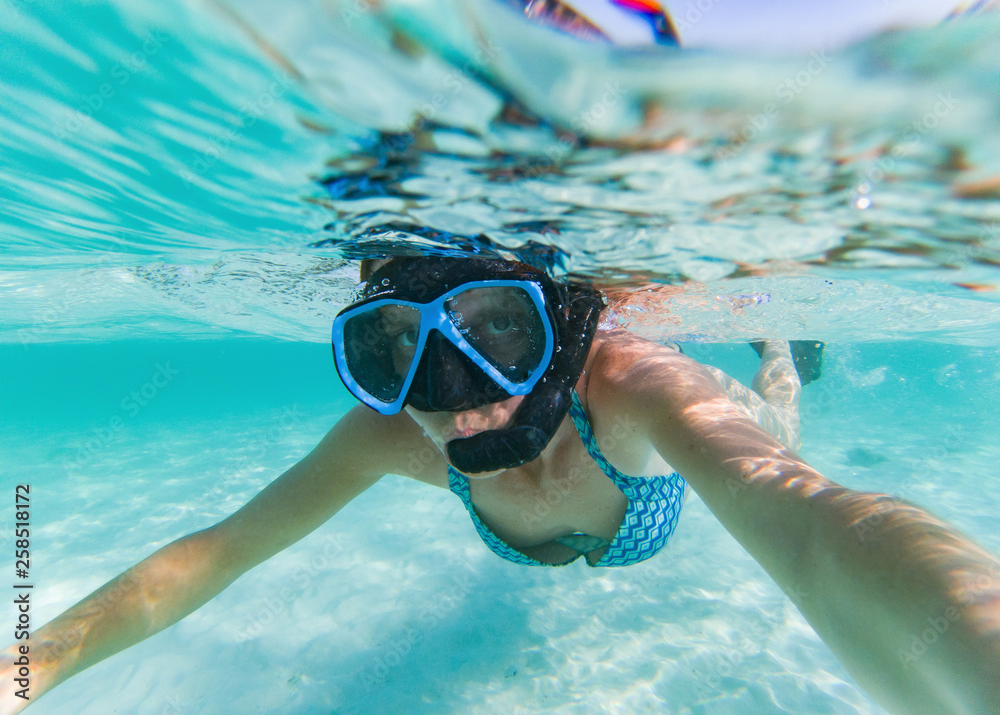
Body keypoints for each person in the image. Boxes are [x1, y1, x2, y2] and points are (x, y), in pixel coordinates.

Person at [3, 256, 999, 714]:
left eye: (498, 334)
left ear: (557, 335)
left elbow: (822, 531)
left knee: (777, 431)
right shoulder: (394, 433)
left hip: (650, 468)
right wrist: (27, 670)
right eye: (393, 351)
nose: (450, 398)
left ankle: (776, 344)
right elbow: (217, 553)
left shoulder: (635, 389)